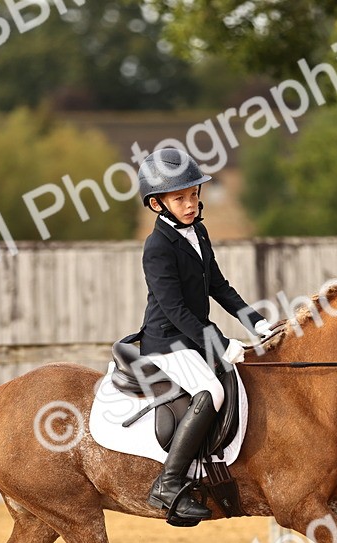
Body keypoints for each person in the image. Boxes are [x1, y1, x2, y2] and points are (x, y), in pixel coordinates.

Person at [135, 147, 272, 521]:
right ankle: (169, 483)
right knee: (210, 391)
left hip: (193, 336)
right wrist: (220, 342)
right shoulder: (157, 247)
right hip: (166, 341)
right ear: (157, 203)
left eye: (194, 194)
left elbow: (220, 287)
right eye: (180, 198)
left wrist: (255, 321)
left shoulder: (198, 231)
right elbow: (176, 310)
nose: (191, 203)